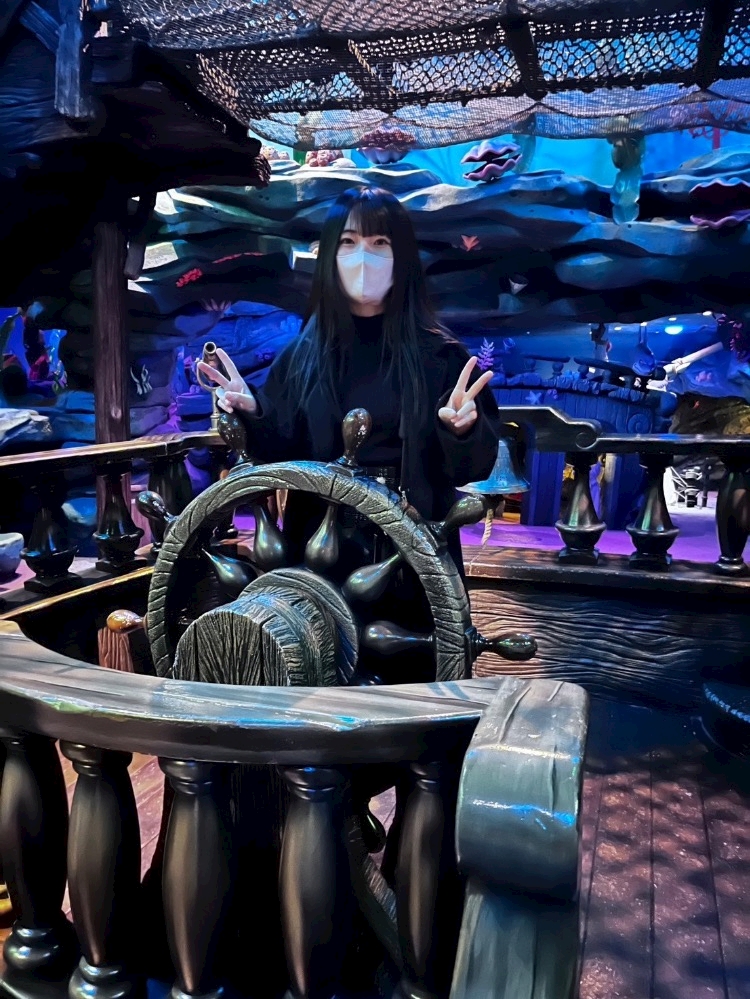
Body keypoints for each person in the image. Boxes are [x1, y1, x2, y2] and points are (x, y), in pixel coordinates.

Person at [198, 185, 500, 674]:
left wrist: (461, 429)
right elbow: (279, 452)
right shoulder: (303, 354)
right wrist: (253, 410)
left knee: (413, 678)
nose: (365, 257)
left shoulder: (441, 355)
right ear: (329, 256)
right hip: (319, 547)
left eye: (381, 243)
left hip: (411, 546)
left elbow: (473, 467)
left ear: (403, 257)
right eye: (349, 243)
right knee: (318, 672)